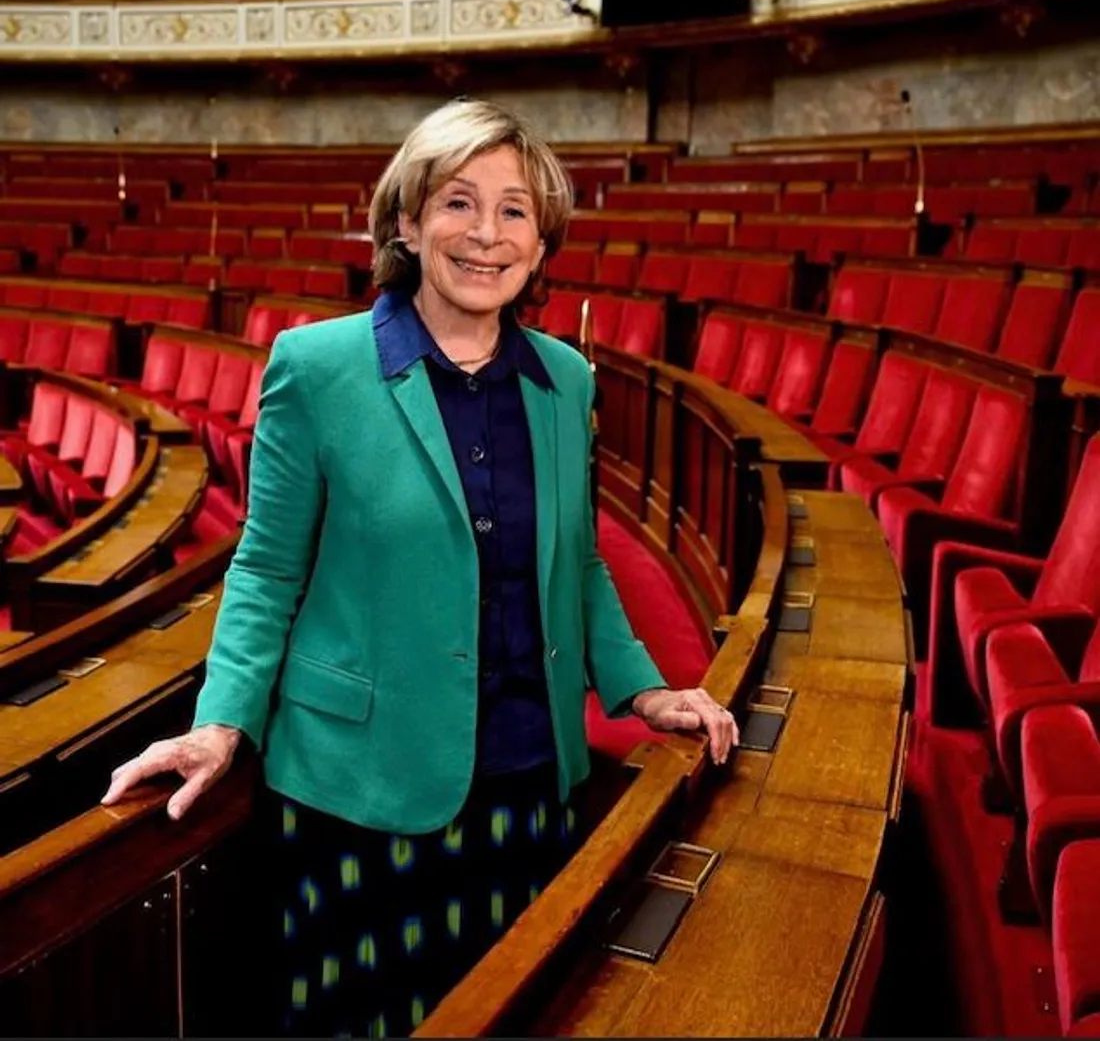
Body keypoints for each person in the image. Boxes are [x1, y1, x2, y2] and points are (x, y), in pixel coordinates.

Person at [102, 98, 738, 1038]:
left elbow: (576, 563)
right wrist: (221, 723)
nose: (487, 234)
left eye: (515, 210)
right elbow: (267, 568)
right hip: (361, 792)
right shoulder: (316, 366)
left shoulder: (565, 380)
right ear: (405, 221)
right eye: (457, 202)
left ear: (541, 240)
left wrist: (643, 690)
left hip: (527, 779)